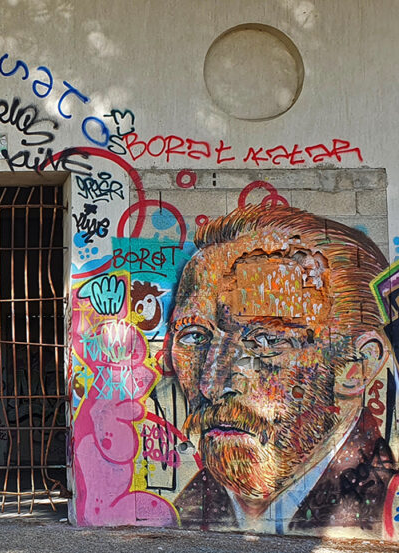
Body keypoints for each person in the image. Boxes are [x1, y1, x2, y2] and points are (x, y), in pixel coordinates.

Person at [169, 204, 399, 535]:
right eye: (194, 337)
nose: (210, 384)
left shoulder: (383, 513)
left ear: (356, 364)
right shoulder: (176, 513)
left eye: (263, 340)